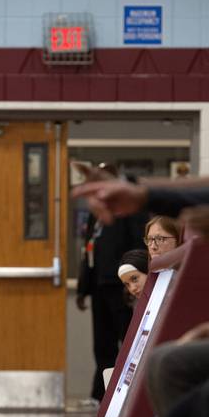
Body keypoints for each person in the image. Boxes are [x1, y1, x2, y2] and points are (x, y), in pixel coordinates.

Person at [76, 163, 147, 402]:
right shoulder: (96, 214)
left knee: (125, 339)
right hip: (99, 285)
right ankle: (100, 393)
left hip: (120, 284)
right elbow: (88, 252)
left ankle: (129, 392)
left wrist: (134, 278)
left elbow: (138, 242)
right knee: (102, 343)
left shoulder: (127, 210)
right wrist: (82, 289)